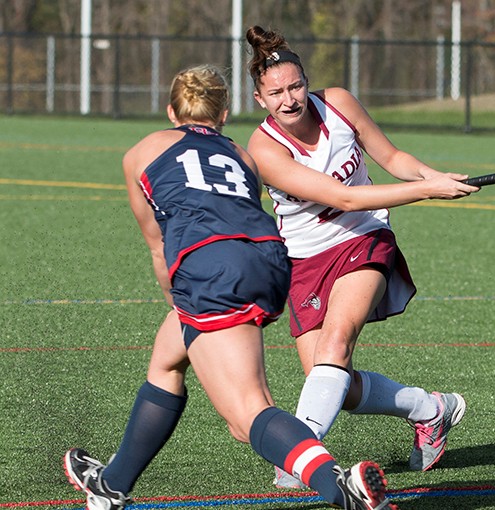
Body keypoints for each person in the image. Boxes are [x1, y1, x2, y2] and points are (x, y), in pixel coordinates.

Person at [62, 65, 397, 510]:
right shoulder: (242, 155)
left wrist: (182, 298)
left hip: (210, 270)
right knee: (166, 362)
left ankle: (340, 487)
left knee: (246, 414)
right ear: (223, 114)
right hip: (269, 260)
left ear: (171, 112)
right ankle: (112, 485)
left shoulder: (141, 152)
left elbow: (160, 249)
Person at [243, 26, 479, 488]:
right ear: (260, 99)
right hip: (304, 260)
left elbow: (392, 156)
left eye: (296, 86)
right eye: (276, 93)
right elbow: (343, 197)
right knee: (338, 385)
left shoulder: (338, 104)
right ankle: (431, 409)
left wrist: (431, 175)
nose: (289, 100)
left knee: (335, 346)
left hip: (364, 237)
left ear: (307, 82)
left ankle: (299, 454)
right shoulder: (264, 148)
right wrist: (426, 191)